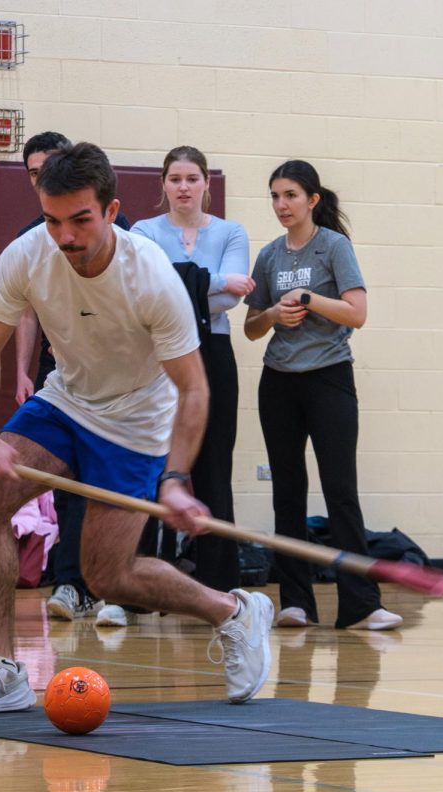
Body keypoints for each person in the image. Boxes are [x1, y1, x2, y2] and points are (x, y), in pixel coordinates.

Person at [0, 143, 273, 716]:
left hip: (136, 421)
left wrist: (174, 479)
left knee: (108, 576)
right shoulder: (27, 255)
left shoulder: (151, 277)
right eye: (52, 220)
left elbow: (193, 389)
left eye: (80, 219)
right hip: (67, 401)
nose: (64, 236)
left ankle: (233, 611)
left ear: (112, 210)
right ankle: (3, 669)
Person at [244, 160, 401, 632]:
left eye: (290, 195)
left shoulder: (334, 247)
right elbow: (251, 329)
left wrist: (309, 300)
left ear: (312, 199)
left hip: (330, 378)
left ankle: (361, 604)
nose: (281, 205)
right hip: (279, 382)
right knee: (287, 493)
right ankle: (295, 602)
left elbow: (357, 313)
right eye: (274, 196)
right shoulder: (270, 255)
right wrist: (273, 313)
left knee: (340, 490)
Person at [13, 131, 132, 627]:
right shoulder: (29, 239)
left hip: (115, 379)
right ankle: (70, 582)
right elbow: (22, 313)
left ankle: (110, 585)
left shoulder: (115, 229)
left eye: (49, 168)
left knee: (105, 483)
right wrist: (22, 371)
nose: (42, 178)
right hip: (58, 371)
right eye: (34, 173)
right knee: (62, 481)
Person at [132, 145, 252, 592]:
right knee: (151, 463)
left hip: (213, 353)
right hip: (157, 356)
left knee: (214, 468)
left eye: (192, 179)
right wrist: (215, 280)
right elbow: (147, 290)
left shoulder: (231, 232)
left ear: (206, 184)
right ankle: (139, 582)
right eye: (175, 179)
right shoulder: (143, 230)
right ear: (163, 184)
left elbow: (232, 300)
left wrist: (186, 282)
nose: (183, 187)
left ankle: (219, 584)